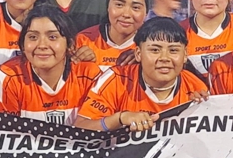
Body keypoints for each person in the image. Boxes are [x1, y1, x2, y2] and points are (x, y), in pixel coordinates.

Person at [74, 17, 208, 133]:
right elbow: (80, 128)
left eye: (173, 50)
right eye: (155, 50)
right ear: (138, 54)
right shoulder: (115, 80)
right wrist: (120, 118)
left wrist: (202, 108)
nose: (164, 58)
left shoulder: (196, 88)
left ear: (185, 55)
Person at [0, 4, 102, 125]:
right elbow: (5, 132)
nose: (42, 45)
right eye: (33, 37)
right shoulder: (9, 77)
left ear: (70, 45)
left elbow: (97, 128)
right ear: (23, 45)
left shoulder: (89, 74)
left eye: (52, 37)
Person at [74, 0, 149, 70]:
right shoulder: (84, 40)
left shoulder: (150, 47)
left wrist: (146, 61)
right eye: (119, 5)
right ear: (108, 7)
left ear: (146, 12)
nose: (126, 14)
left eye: (135, 7)